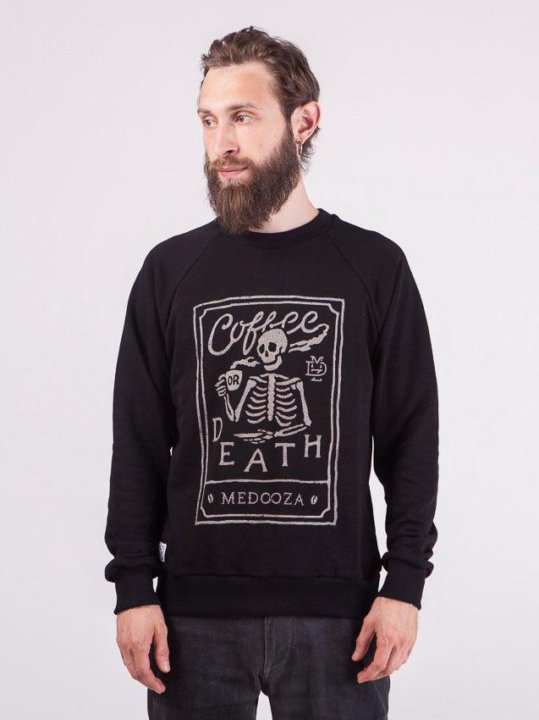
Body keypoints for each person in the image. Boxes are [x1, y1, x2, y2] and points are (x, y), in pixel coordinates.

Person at [104, 25, 439, 720]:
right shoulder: (170, 271)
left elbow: (411, 438)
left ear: (303, 121)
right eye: (208, 120)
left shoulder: (374, 267)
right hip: (191, 618)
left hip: (341, 619)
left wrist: (403, 585)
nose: (221, 143)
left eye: (243, 117)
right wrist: (133, 587)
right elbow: (137, 441)